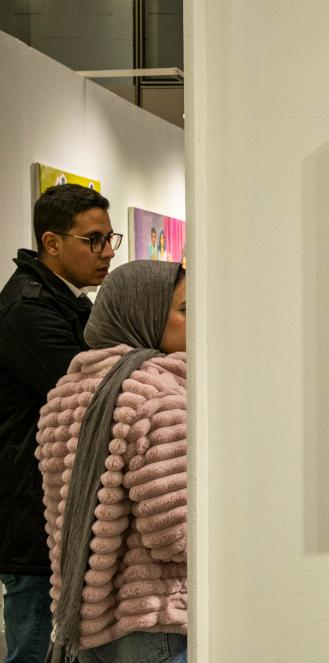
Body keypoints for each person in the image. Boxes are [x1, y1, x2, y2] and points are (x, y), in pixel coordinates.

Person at [35, 260, 187, 662]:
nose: (197, 322)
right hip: (154, 618)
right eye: (185, 310)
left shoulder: (67, 394)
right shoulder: (160, 396)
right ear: (146, 313)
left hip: (85, 618)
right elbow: (176, 534)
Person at [0, 183, 117, 663]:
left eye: (110, 238)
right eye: (94, 240)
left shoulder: (67, 301)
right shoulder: (28, 309)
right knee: (32, 644)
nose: (107, 252)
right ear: (51, 242)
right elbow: (91, 393)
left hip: (50, 505)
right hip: (31, 511)